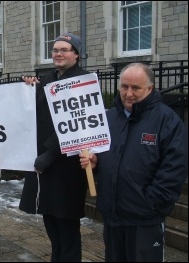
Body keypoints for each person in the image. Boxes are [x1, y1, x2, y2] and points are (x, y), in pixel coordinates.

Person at [79, 62, 188, 262]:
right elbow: (107, 158)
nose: (129, 93)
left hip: (144, 220)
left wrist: (149, 203)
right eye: (124, 87)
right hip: (113, 216)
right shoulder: (109, 118)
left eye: (135, 88)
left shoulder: (168, 121)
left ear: (150, 88)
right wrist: (96, 163)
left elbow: (173, 171)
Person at [19, 33, 89, 262]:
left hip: (66, 165)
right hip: (44, 164)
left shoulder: (83, 81)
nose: (58, 54)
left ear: (76, 54)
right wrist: (30, 90)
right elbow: (35, 116)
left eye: (64, 50)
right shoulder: (47, 79)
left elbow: (76, 124)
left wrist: (50, 153)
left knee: (66, 225)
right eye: (55, 50)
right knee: (50, 220)